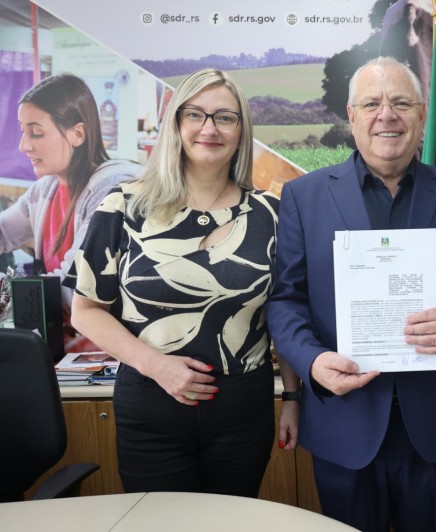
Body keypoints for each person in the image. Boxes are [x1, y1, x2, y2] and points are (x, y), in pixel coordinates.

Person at [267, 56, 436, 532]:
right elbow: (286, 300)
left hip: (435, 424)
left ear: (420, 114)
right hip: (344, 421)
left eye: (400, 102)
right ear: (351, 116)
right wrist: (312, 361)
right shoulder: (304, 197)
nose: (386, 115)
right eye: (372, 103)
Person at [66, 68, 299, 496]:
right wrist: (158, 366)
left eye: (225, 117)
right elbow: (86, 311)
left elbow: (284, 314)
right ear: (176, 123)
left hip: (243, 412)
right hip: (151, 404)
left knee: (232, 523)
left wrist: (292, 399)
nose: (209, 128)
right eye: (195, 114)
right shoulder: (123, 205)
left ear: (241, 129)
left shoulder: (272, 213)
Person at [4, 73, 141, 350]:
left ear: (77, 134)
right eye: (22, 131)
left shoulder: (111, 189)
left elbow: (72, 284)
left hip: (112, 350)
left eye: (36, 132)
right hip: (68, 345)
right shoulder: (46, 190)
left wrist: (7, 296)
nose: (24, 145)